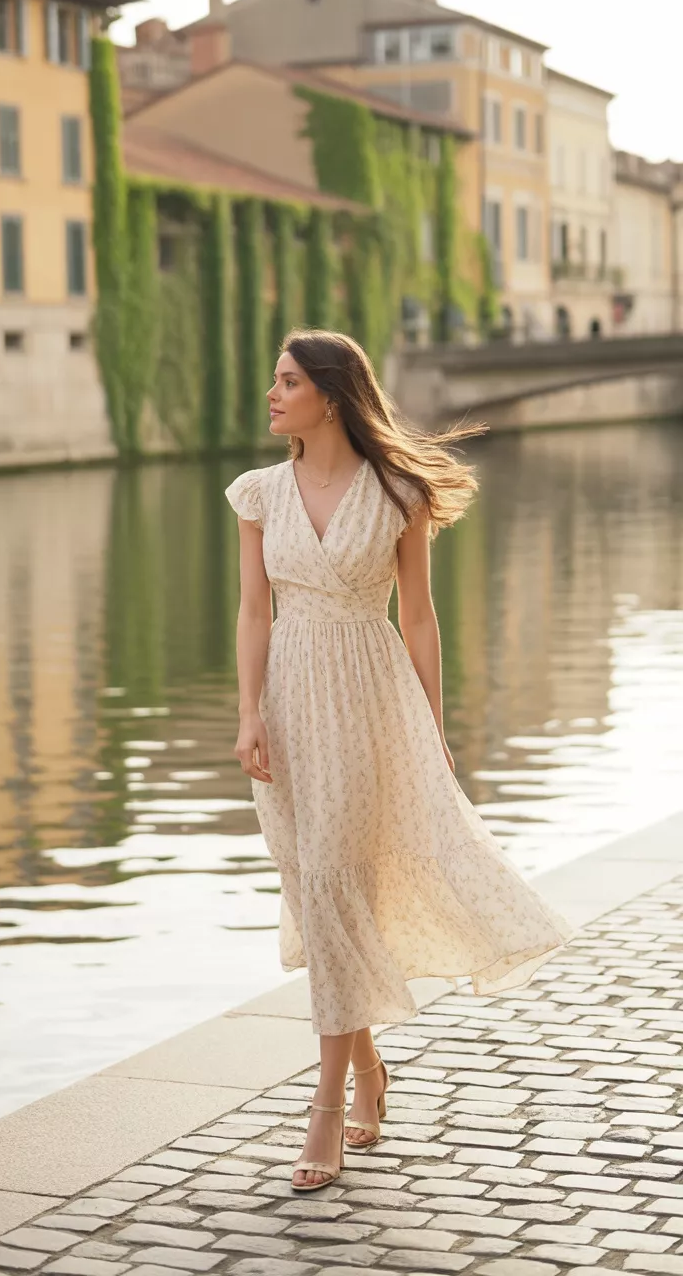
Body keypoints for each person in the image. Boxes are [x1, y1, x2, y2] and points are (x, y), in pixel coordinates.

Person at [224, 328, 572, 1193]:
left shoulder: (397, 492)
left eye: (287, 380)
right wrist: (245, 717)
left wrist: (433, 729)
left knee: (343, 883)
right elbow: (253, 614)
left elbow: (419, 618)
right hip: (288, 710)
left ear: (331, 396)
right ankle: (371, 1067)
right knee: (316, 890)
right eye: (273, 379)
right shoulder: (259, 493)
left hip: (370, 703)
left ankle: (326, 1108)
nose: (271, 393)